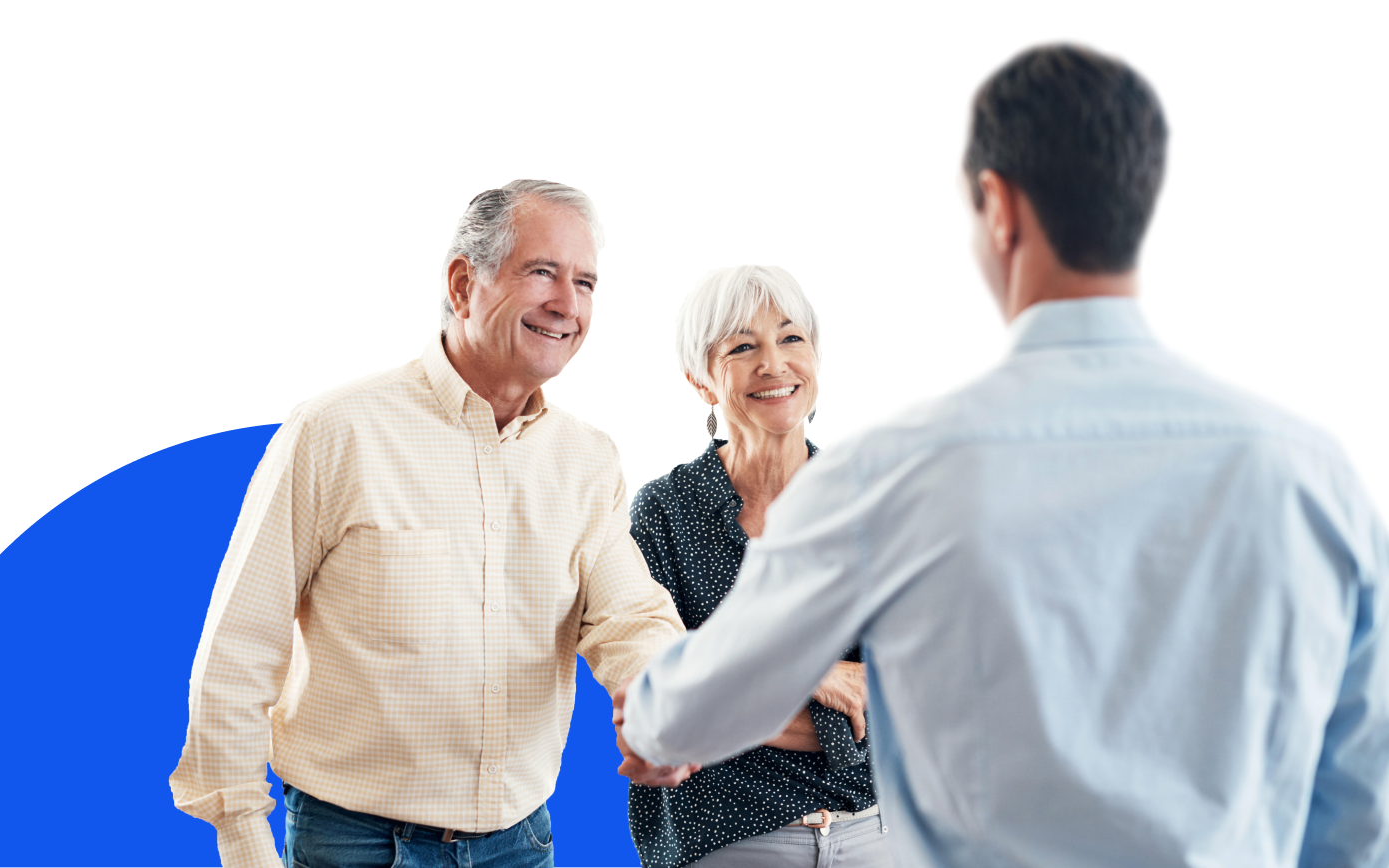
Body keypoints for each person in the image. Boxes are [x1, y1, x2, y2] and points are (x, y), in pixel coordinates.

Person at [614, 37, 1389, 868]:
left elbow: (687, 715)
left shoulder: (889, 466)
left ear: (1000, 206)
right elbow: (1354, 809)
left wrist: (658, 717)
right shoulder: (1316, 465)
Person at [169, 178, 692, 868]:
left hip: (520, 844)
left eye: (586, 283)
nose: (569, 305)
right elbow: (239, 650)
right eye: (543, 273)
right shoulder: (335, 432)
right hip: (354, 847)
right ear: (462, 281)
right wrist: (242, 839)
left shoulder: (587, 457)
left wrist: (664, 698)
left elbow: (628, 615)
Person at [622, 263, 891, 868]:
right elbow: (660, 700)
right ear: (701, 380)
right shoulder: (664, 512)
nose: (774, 363)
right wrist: (808, 675)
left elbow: (900, 698)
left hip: (878, 834)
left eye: (791, 338)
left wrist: (733, 686)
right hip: (725, 842)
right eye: (743, 347)